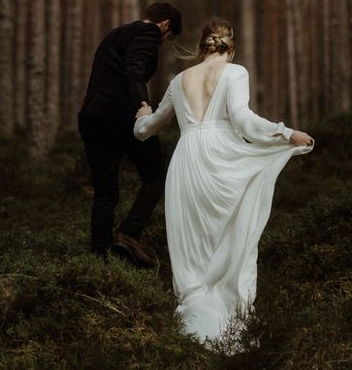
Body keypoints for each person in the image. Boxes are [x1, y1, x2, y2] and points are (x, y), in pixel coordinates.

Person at [134, 18, 314, 343]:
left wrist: (142, 116)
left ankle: (193, 331)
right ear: (230, 48)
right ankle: (231, 326)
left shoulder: (178, 80)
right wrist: (287, 133)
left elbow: (146, 131)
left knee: (193, 250)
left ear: (202, 46)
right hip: (221, 160)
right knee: (233, 239)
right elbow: (243, 122)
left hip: (186, 163)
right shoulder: (235, 72)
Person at [78, 2, 182, 268]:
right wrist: (143, 105)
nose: (163, 42)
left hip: (92, 118)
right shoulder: (147, 34)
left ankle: (99, 262)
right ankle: (129, 233)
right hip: (122, 119)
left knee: (105, 193)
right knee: (156, 176)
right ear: (165, 25)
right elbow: (134, 69)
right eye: (167, 39)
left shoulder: (115, 34)